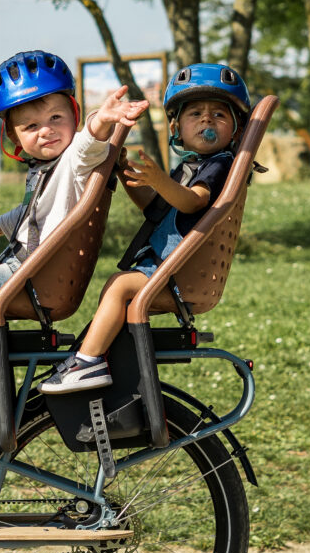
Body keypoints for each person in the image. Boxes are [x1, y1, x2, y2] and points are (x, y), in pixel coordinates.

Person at [0, 52, 145, 437]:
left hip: (34, 278)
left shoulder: (74, 162)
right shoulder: (49, 172)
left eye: (55, 118)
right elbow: (37, 213)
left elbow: (88, 146)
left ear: (74, 114)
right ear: (14, 137)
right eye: (31, 125)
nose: (46, 130)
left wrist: (101, 121)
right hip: (37, 274)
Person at [41, 64, 251, 394]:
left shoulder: (219, 164)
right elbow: (154, 208)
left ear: (236, 131)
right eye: (195, 113)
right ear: (176, 127)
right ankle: (98, 358)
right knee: (117, 285)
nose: (207, 120)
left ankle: (88, 361)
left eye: (219, 115)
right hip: (170, 269)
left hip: (181, 274)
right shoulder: (191, 166)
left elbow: (194, 202)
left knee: (121, 287)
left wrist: (160, 180)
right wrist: (126, 171)